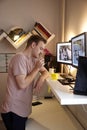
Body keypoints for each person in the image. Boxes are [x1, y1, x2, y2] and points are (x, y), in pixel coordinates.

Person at [0, 35, 49, 130]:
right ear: (33, 45)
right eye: (41, 48)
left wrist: (41, 78)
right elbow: (22, 84)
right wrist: (36, 69)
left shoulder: (34, 60)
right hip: (13, 110)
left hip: (23, 108)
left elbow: (46, 72)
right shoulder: (19, 58)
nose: (41, 52)